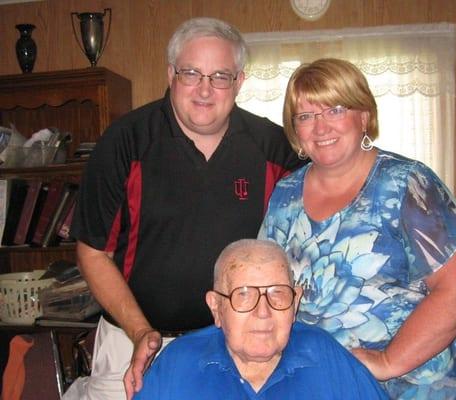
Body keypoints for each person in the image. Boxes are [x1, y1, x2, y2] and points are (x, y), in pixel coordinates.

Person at [64, 17, 304, 400]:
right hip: (134, 345)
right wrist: (141, 331)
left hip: (235, 346)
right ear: (171, 73)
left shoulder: (273, 148)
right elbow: (93, 252)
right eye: (191, 73)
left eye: (220, 76)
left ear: (239, 82)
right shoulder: (124, 143)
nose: (205, 90)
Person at [258, 58, 456, 399]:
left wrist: (388, 360)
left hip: (412, 383)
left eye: (335, 110)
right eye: (306, 117)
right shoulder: (286, 193)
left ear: (364, 116)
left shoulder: (405, 184)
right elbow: (266, 281)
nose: (320, 128)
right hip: (324, 382)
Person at [133, 239, 389, 399]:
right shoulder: (177, 364)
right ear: (216, 307)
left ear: (296, 301)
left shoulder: (326, 357)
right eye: (243, 295)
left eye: (277, 294)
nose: (263, 312)